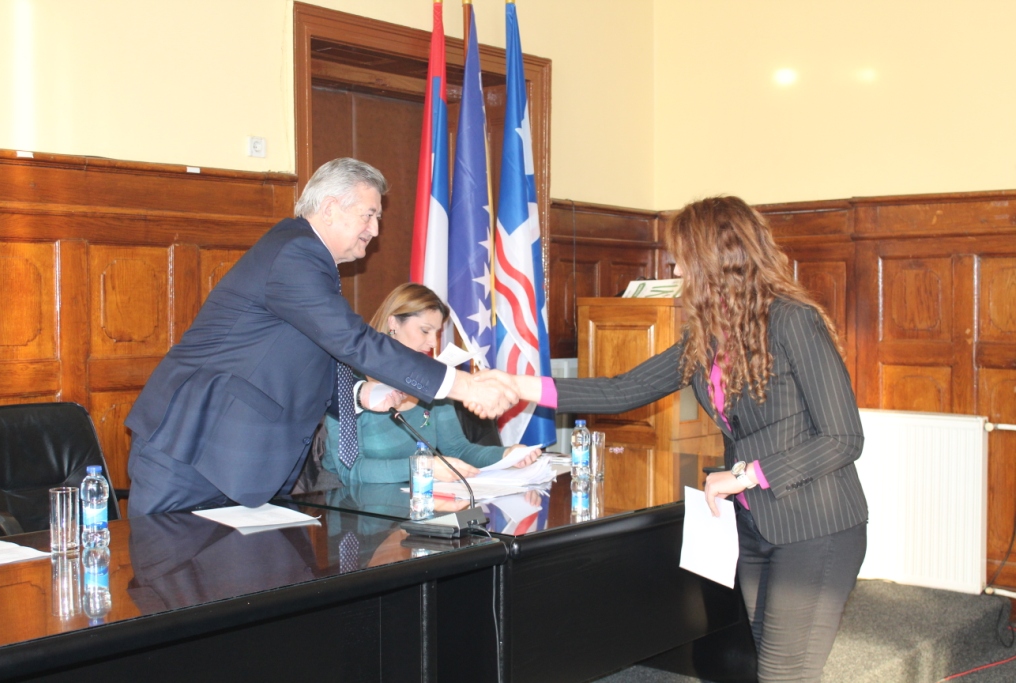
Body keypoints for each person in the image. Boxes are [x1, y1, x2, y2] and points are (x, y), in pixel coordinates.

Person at [478, 196, 867, 683]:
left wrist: (748, 475)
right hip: (756, 526)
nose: (676, 267)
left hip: (816, 527)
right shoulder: (707, 337)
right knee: (765, 665)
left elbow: (843, 438)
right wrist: (516, 384)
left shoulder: (793, 320)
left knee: (785, 674)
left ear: (717, 257)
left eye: (683, 256)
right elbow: (623, 390)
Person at [124, 158, 516, 517]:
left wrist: (361, 394)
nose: (375, 230)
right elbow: (353, 341)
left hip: (238, 461)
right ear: (329, 208)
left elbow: (306, 358)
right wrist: (462, 385)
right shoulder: (296, 253)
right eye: (369, 215)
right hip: (195, 450)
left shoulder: (307, 258)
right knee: (170, 570)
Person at [321, 283, 541, 485]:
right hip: (352, 506)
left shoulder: (433, 381)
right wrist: (423, 467)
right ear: (393, 324)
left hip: (418, 503)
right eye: (425, 330)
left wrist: (506, 455)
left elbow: (458, 450)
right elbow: (351, 471)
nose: (432, 343)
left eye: (437, 333)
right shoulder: (350, 382)